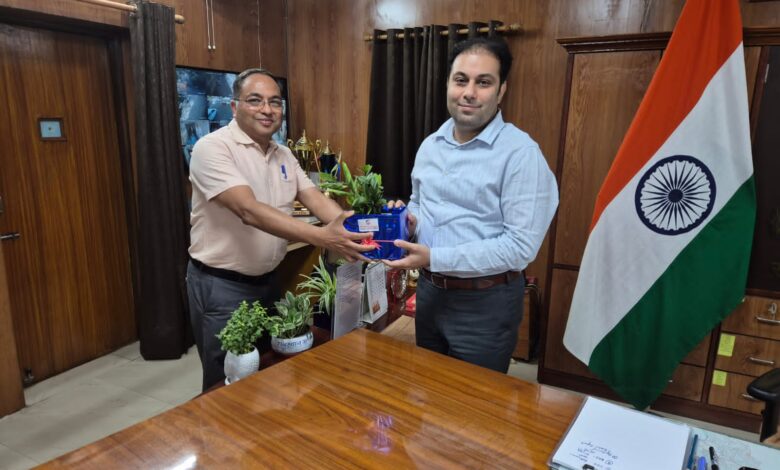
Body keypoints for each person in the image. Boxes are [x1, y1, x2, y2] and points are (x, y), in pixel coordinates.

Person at [187, 68, 371, 390]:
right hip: (223, 286)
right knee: (226, 384)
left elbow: (314, 198)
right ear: (234, 106)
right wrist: (323, 237)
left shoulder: (283, 153)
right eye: (255, 100)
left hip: (269, 281)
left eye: (274, 102)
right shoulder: (212, 148)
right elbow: (248, 209)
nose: (267, 109)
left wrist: (357, 231)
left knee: (266, 373)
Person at [384, 37, 559, 373]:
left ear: (501, 91)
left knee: (473, 401)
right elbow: (421, 203)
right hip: (430, 294)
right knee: (430, 388)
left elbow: (519, 248)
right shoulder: (430, 146)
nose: (469, 92)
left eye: (483, 82)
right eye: (461, 80)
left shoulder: (521, 154)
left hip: (486, 304)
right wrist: (408, 220)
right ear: (448, 84)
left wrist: (435, 257)